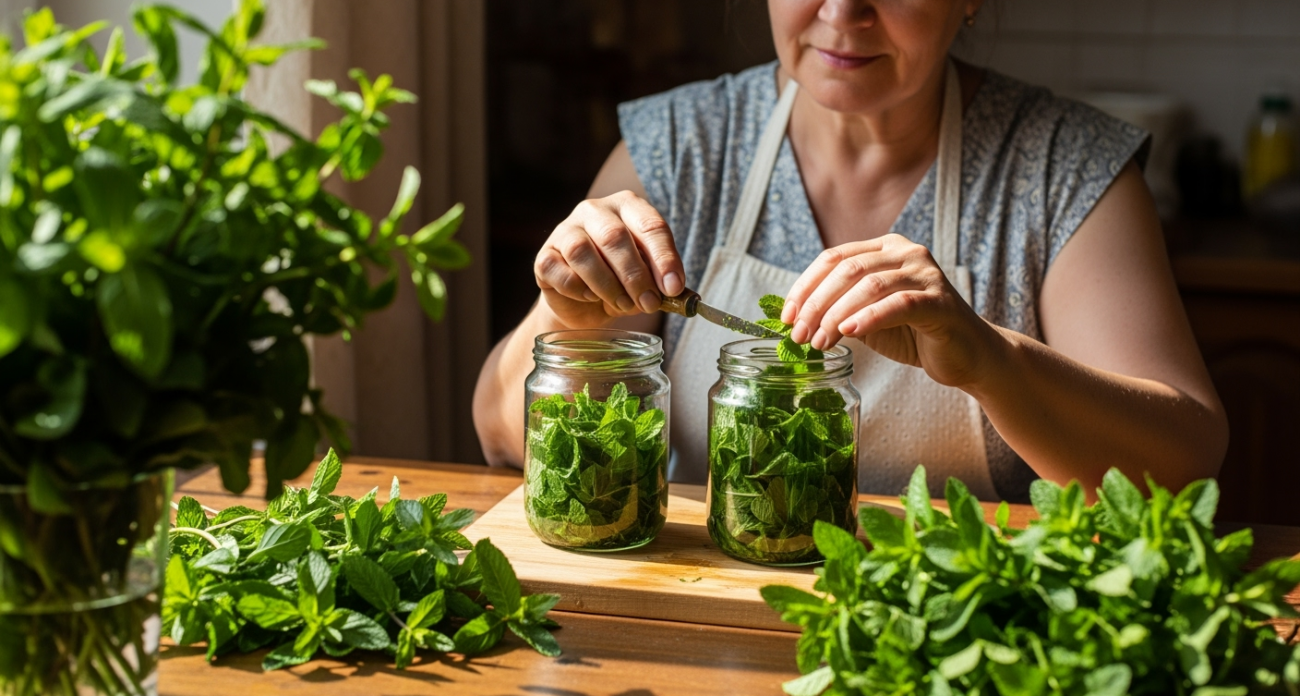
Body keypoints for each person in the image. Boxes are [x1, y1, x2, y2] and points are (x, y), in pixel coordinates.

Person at [472, 0, 1228, 502]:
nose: (842, 12)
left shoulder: (1066, 168)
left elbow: (1188, 461)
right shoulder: (680, 146)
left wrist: (989, 360)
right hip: (713, 618)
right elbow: (502, 435)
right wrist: (568, 320)